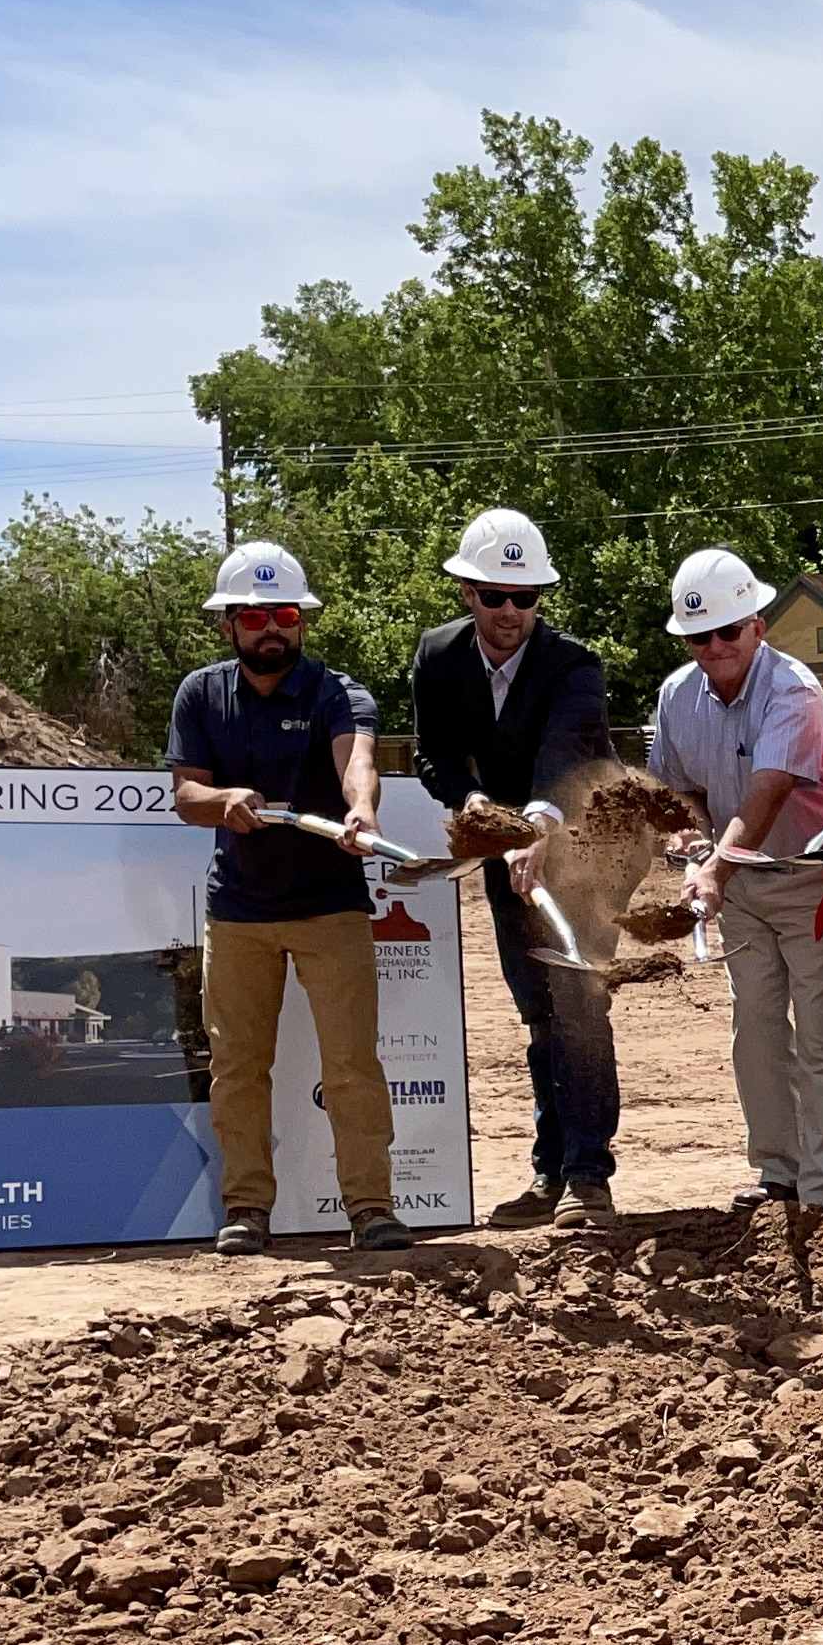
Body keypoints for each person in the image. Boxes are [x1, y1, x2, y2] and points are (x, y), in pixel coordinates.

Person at [165, 542, 409, 1256]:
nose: (272, 627)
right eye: (255, 616)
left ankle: (371, 1210)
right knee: (238, 1067)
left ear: (301, 621)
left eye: (284, 614)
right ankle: (246, 1210)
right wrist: (224, 799)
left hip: (331, 905)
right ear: (228, 626)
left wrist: (360, 812)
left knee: (352, 1065)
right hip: (238, 913)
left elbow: (357, 762)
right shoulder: (200, 695)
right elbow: (185, 796)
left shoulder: (339, 691)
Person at [410, 506, 622, 1227]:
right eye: (494, 596)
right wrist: (475, 804)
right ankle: (549, 1174)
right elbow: (432, 752)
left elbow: (566, 752)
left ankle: (590, 1179)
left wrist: (538, 822)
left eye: (525, 597)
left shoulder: (574, 665)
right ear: (467, 592)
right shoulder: (437, 658)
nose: (510, 612)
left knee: (580, 1010)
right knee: (540, 1017)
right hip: (509, 852)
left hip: (587, 851)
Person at [649, 546, 823, 1214]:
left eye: (727, 631)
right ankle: (778, 1173)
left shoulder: (792, 690)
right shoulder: (677, 696)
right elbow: (676, 791)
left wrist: (712, 867)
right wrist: (684, 835)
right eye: (698, 636)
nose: (714, 646)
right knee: (757, 1030)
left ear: (757, 627)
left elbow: (766, 795)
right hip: (738, 885)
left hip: (810, 881)